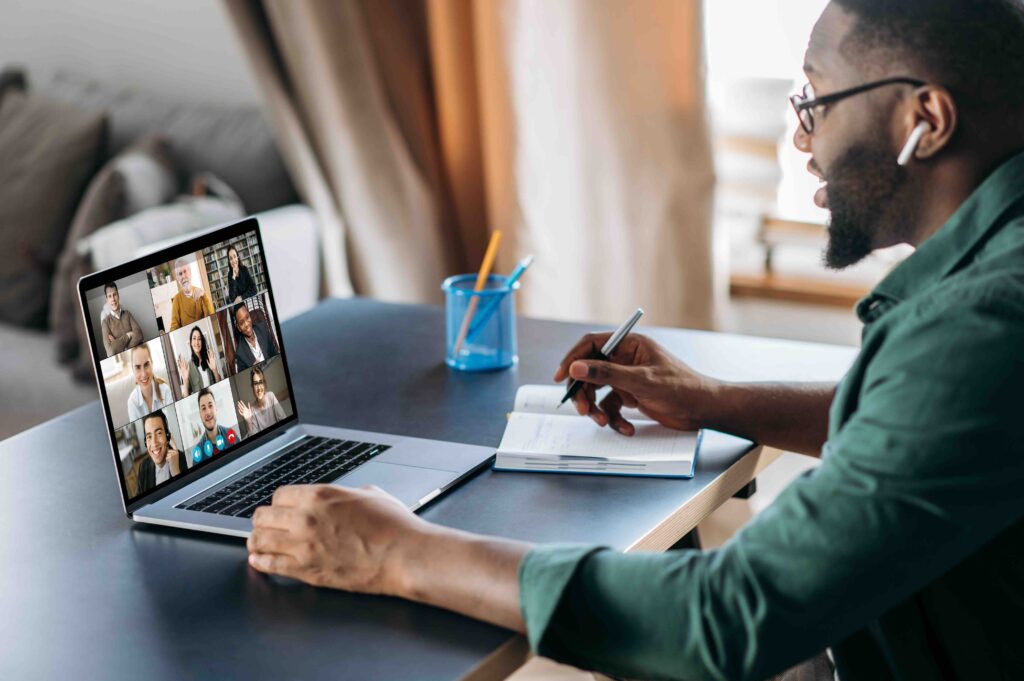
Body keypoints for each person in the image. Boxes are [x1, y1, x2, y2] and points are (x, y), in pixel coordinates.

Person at [246, 2, 1024, 680]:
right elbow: (931, 423)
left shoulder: (982, 325)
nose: (799, 137)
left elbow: (730, 618)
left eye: (816, 99)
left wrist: (399, 552)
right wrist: (711, 400)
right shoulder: (994, 283)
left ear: (926, 120)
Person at [135, 409, 188, 497]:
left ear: (167, 436)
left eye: (159, 433)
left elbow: (189, 495)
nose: (154, 443)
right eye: (149, 436)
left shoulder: (185, 459)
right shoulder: (143, 467)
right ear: (145, 442)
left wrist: (176, 473)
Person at [126, 343, 174, 422]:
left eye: (146, 364)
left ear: (152, 363)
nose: (144, 374)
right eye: (138, 367)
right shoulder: (132, 403)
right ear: (132, 369)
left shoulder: (165, 390)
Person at [237, 366, 286, 436]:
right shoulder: (252, 409)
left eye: (260, 382)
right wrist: (249, 421)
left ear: (264, 384)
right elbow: (254, 438)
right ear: (252, 387)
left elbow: (283, 419)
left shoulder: (271, 396)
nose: (259, 388)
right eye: (256, 384)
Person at [169, 256, 214, 331]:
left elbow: (211, 317)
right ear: (177, 278)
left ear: (190, 272)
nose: (183, 276)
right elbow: (174, 327)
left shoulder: (201, 293)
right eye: (180, 274)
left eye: (185, 271)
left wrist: (204, 296)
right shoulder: (176, 300)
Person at [100, 282, 143, 358]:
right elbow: (111, 351)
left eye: (114, 294)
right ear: (106, 300)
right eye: (109, 296)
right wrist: (128, 335)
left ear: (118, 295)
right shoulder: (105, 322)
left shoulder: (127, 314)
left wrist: (119, 345)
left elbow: (139, 335)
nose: (113, 299)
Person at [232, 303, 278, 372]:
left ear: (250, 316)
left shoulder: (263, 329)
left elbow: (275, 354)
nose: (246, 324)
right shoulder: (240, 354)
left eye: (247, 317)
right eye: (241, 323)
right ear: (238, 328)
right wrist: (252, 369)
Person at [177, 326, 221, 397]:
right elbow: (186, 397)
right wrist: (185, 380)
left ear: (202, 342)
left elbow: (219, 385)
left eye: (199, 339)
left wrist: (215, 370)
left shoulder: (209, 360)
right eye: (194, 338)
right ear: (190, 343)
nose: (197, 342)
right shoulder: (188, 367)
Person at [193, 388, 232, 456]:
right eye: (203, 408)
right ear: (200, 414)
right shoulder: (198, 452)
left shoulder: (231, 435)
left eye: (210, 406)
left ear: (216, 408)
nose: (208, 412)